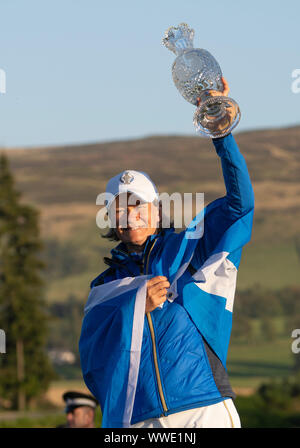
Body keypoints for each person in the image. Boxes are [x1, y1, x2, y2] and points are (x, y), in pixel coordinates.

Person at [79, 78, 255, 428]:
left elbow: (240, 206)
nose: (130, 215)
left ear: (157, 211)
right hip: (139, 418)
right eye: (120, 209)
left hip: (202, 405)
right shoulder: (105, 287)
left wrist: (221, 135)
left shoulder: (190, 248)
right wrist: (134, 309)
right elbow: (94, 364)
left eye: (139, 206)